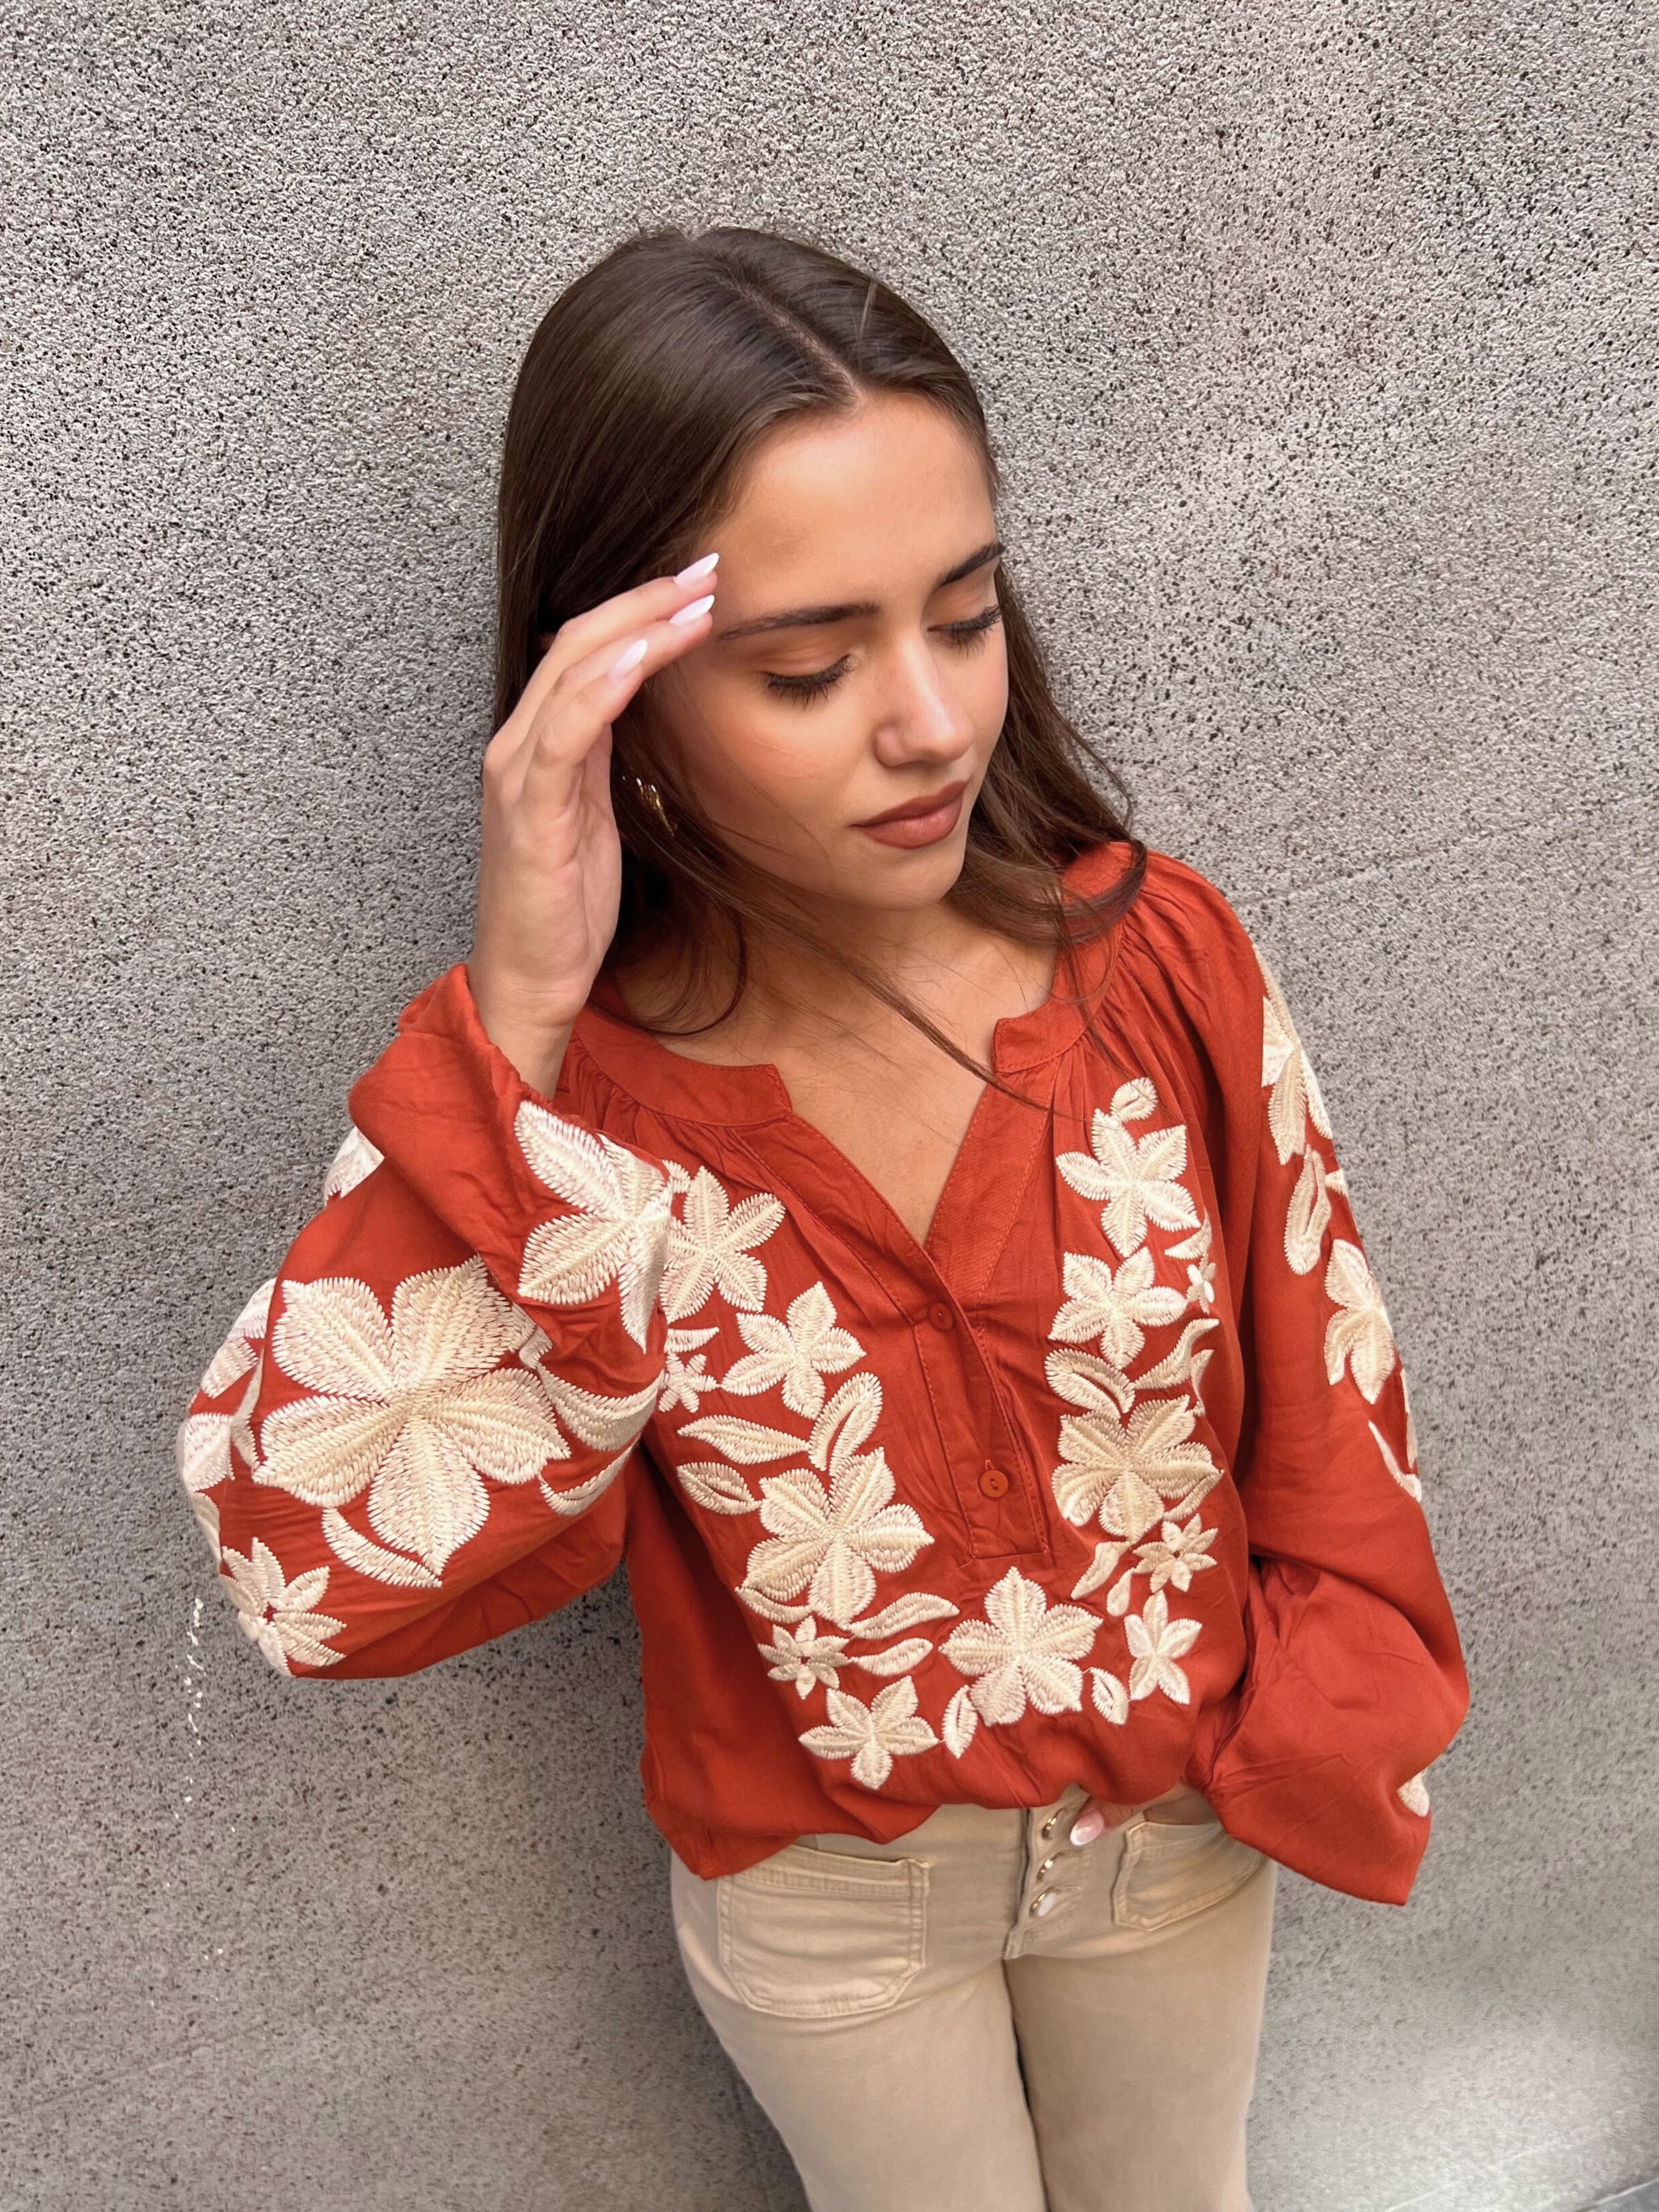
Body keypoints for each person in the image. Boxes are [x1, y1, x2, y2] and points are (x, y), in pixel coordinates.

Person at [175, 225, 1470, 2212]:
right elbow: (307, 1574)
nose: (931, 721)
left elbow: (1329, 1387)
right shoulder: (569, 1120)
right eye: (807, 664)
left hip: (1178, 1835)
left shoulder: (1156, 967)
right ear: (619, 690)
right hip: (834, 1913)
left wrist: (1313, 1722)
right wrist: (514, 1021)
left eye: (964, 615)